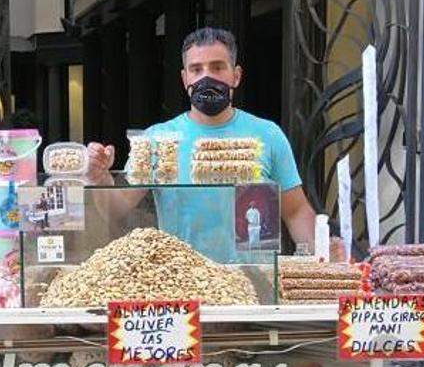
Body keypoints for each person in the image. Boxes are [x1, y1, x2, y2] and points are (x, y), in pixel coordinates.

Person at [86, 27, 316, 260]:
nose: (207, 77)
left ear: (236, 75)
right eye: (196, 69)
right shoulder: (157, 141)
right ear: (185, 78)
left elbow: (296, 211)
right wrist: (100, 179)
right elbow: (116, 208)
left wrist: (325, 255)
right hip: (184, 282)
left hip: (252, 284)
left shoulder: (267, 135)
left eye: (217, 67)